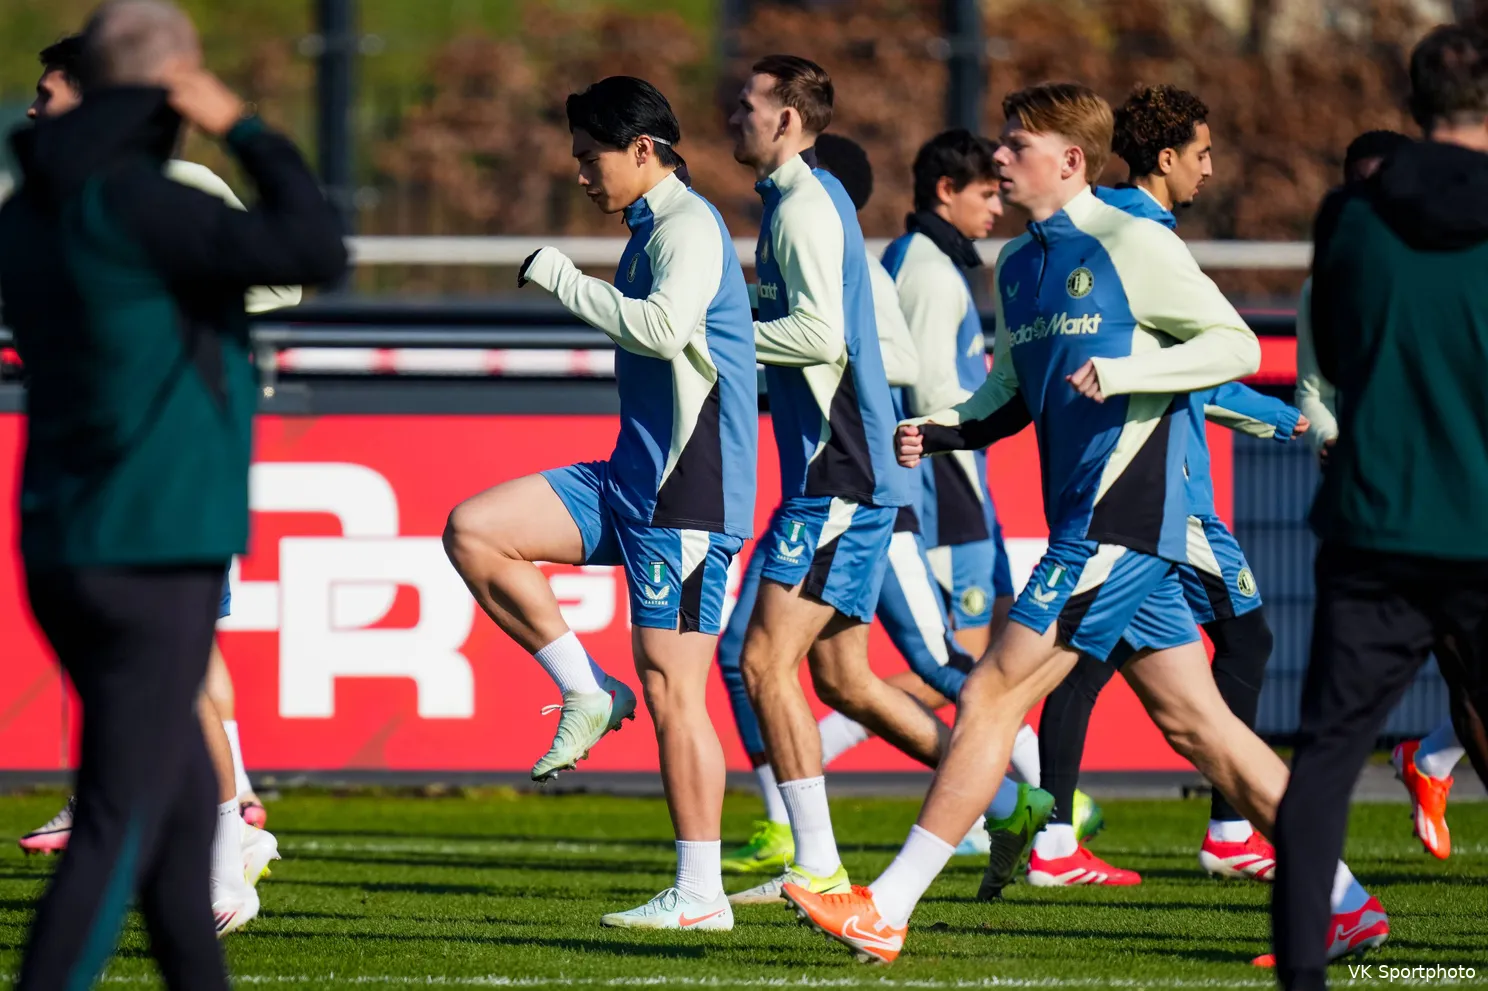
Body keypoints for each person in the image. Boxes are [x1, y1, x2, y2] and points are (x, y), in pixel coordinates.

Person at [782, 81, 1382, 967]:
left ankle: (888, 904)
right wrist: (943, 427)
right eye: (1001, 143)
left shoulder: (1133, 241)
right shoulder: (1019, 265)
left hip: (1119, 520)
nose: (998, 156)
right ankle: (1346, 903)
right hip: (1098, 524)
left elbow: (1236, 344)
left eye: (1016, 144)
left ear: (1070, 160)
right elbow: (1010, 391)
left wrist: (1129, 369)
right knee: (1204, 727)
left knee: (990, 692)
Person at [0, 0, 346, 985]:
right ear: (169, 88)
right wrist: (244, 127)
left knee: (186, 806)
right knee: (118, 819)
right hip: (152, 540)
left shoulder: (29, 211)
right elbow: (316, 249)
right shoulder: (140, 204)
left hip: (66, 534)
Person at [446, 75, 755, 929]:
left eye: (592, 157)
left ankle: (701, 893)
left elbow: (662, 328)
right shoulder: (650, 228)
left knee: (673, 691)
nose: (582, 174)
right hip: (631, 479)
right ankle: (586, 691)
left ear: (643, 149)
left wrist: (560, 277)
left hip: (686, 495)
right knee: (476, 529)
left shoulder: (688, 226)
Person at [717, 132, 1051, 877]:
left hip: (865, 490)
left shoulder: (871, 264)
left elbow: (899, 363)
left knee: (914, 660)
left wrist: (749, 340)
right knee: (835, 678)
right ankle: (1007, 800)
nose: (995, 206)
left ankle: (1043, 806)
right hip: (827, 486)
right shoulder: (864, 256)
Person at [1025, 84, 1309, 890]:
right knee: (1228, 641)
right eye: (1202, 154)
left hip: (1139, 490)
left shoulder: (1105, 228)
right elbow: (1204, 367)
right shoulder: (1136, 237)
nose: (1209, 170)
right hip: (1163, 496)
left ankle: (1055, 833)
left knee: (1089, 657)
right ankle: (1224, 830)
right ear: (1164, 157)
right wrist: (1278, 418)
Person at [1273, 24, 1488, 988]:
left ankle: (1304, 974)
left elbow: (1340, 343)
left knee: (1325, 761)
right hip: (1480, 514)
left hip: (1376, 518)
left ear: (1413, 104)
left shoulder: (1351, 215)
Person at [724, 55, 950, 908]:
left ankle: (817, 866)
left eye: (747, 104)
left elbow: (818, 337)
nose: (734, 115)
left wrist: (715, 331)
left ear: (787, 119)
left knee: (760, 662)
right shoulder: (797, 200)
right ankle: (1009, 802)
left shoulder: (805, 206)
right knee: (842, 681)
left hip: (838, 473)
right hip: (843, 470)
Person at [1291, 128, 1470, 864]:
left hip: (1460, 495)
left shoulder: (1456, 258)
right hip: (1386, 511)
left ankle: (1432, 757)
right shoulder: (1332, 275)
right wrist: (1330, 435)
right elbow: (1313, 387)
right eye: (1356, 182)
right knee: (1339, 726)